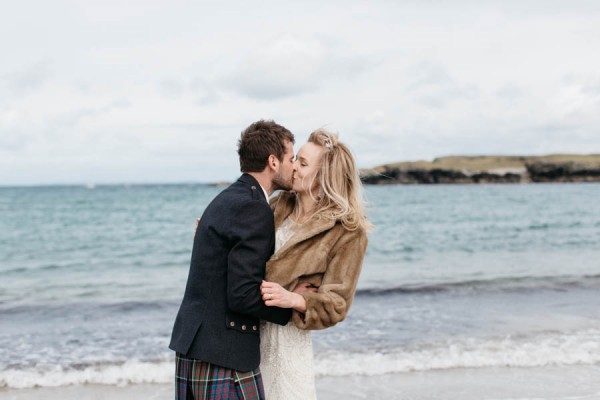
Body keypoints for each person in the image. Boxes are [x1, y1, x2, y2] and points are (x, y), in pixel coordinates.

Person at [169, 120, 296, 400]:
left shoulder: (226, 198)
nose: (294, 166)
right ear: (273, 161)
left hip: (194, 346)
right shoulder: (254, 208)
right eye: (291, 158)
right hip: (224, 354)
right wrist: (292, 306)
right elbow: (241, 295)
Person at [259, 129, 371, 400]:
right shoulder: (278, 205)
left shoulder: (348, 231)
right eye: (296, 158)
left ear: (325, 177)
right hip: (248, 332)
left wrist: (296, 300)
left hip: (288, 341)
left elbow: (336, 304)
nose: (293, 167)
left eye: (303, 163)